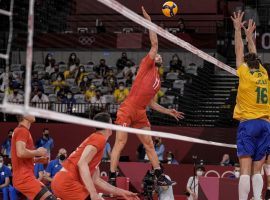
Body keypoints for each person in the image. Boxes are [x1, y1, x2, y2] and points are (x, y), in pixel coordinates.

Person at [109, 7, 184, 187]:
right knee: (121, 141)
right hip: (128, 108)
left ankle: (159, 174)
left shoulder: (158, 80)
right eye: (155, 54)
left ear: (161, 62)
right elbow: (154, 44)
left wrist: (168, 111)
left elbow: (151, 102)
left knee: (149, 144)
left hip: (141, 112)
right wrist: (149, 22)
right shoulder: (146, 65)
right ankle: (112, 176)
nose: (157, 55)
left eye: (158, 56)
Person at [51, 113, 139, 200]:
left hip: (61, 182)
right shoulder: (99, 139)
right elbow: (81, 163)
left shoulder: (97, 140)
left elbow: (96, 180)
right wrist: (93, 193)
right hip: (68, 183)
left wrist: (122, 192)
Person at [231, 12, 270, 200]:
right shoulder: (264, 74)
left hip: (248, 124)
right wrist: (250, 36)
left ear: (247, 65)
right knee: (258, 168)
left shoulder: (245, 75)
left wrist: (238, 29)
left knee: (245, 169)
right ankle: (257, 198)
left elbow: (240, 52)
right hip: (265, 124)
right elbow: (253, 54)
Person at [11, 115, 57, 200]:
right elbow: (20, 153)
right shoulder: (22, 130)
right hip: (24, 178)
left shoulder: (20, 130)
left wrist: (37, 160)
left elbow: (21, 156)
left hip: (24, 177)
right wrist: (38, 152)